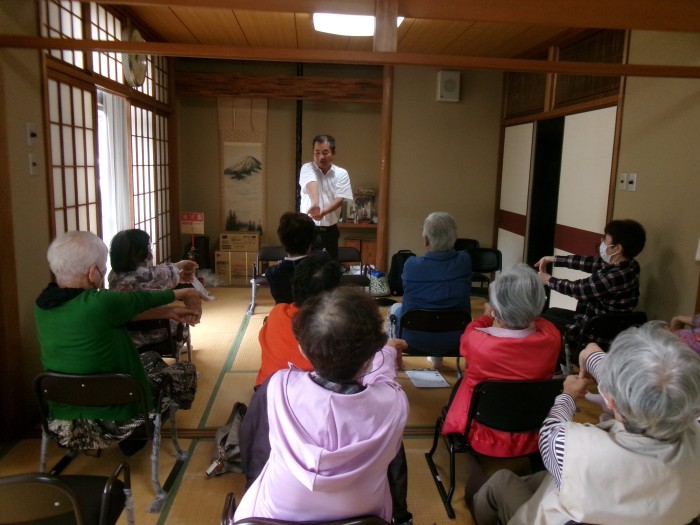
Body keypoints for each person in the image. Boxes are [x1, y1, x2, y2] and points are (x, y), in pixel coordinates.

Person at [471, 321, 700, 525]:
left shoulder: (568, 447)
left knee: (500, 481)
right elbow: (653, 385)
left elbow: (551, 429)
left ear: (610, 400)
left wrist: (567, 395)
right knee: (540, 480)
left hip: (564, 513)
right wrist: (593, 357)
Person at [235, 287, 410, 523]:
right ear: (371, 355)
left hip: (272, 516)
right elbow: (383, 380)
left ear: (302, 350)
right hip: (366, 517)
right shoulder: (394, 403)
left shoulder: (278, 387)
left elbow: (250, 447)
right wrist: (387, 352)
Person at [34, 231, 205, 452]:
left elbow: (129, 310)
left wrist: (172, 311)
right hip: (111, 419)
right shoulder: (101, 303)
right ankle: (138, 432)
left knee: (151, 358)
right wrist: (185, 294)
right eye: (102, 267)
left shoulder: (42, 304)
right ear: (93, 272)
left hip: (61, 418)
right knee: (184, 371)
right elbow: (141, 300)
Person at [442, 264, 560, 458]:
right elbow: (542, 323)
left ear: (497, 310)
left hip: (484, 435)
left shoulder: (478, 341)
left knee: (463, 382)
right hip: (533, 432)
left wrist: (488, 316)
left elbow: (471, 331)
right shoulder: (552, 337)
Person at [535, 218, 646, 352]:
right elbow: (587, 262)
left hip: (593, 333)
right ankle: (559, 361)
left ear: (617, 248)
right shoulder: (629, 265)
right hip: (595, 322)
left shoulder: (616, 275)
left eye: (605, 239)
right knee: (551, 312)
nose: (602, 241)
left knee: (542, 322)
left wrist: (548, 280)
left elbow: (580, 289)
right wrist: (552, 259)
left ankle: (557, 363)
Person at [386, 211, 472, 368]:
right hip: (455, 338)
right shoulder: (464, 261)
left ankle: (394, 361)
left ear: (426, 239)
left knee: (395, 307)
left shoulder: (411, 265)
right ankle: (437, 359)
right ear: (455, 238)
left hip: (413, 339)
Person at [256, 251, 342, 387]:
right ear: (335, 292)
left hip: (264, 391)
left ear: (294, 285)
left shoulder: (278, 311)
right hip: (303, 399)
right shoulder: (333, 327)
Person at [108, 228, 200, 353]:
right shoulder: (155, 275)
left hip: (125, 336)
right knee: (181, 321)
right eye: (149, 246)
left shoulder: (113, 276)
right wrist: (184, 264)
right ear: (143, 251)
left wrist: (179, 274)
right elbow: (171, 270)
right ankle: (177, 346)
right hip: (158, 334)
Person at [298, 134, 353, 259]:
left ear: (333, 153)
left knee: (329, 269)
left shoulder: (341, 173)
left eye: (325, 152)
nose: (320, 157)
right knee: (306, 269)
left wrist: (322, 212)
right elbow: (312, 185)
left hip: (330, 231)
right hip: (307, 230)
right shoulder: (307, 168)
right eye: (317, 153)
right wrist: (315, 204)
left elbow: (339, 199)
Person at [264, 211, 317, 304]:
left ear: (282, 242)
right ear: (311, 242)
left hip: (284, 317)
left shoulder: (272, 273)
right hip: (313, 317)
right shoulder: (322, 270)